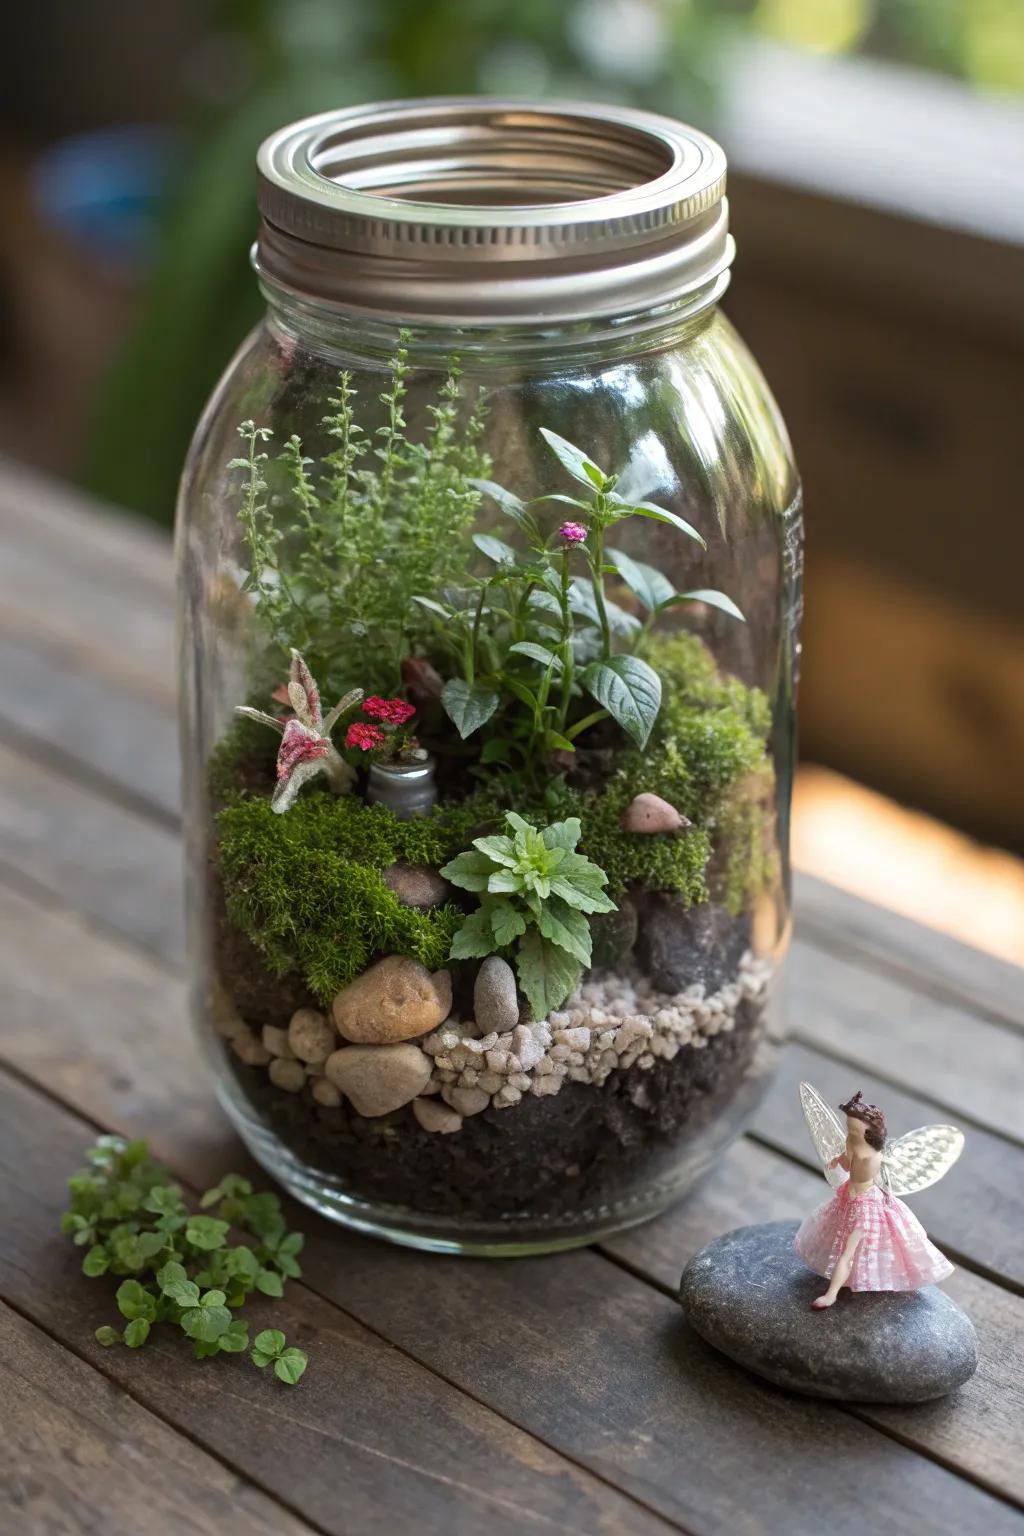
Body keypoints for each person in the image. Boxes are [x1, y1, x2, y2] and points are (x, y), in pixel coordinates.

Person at [794, 1091, 954, 1309]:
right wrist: (837, 1160)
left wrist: (847, 1163)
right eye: (849, 1129)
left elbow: (867, 1174)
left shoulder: (874, 1156)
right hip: (847, 1197)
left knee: (849, 1251)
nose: (850, 1133)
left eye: (854, 1130)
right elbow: (846, 1162)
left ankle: (831, 1294)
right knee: (836, 1238)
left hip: (865, 1206)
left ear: (869, 1132)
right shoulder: (853, 1144)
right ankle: (844, 1281)